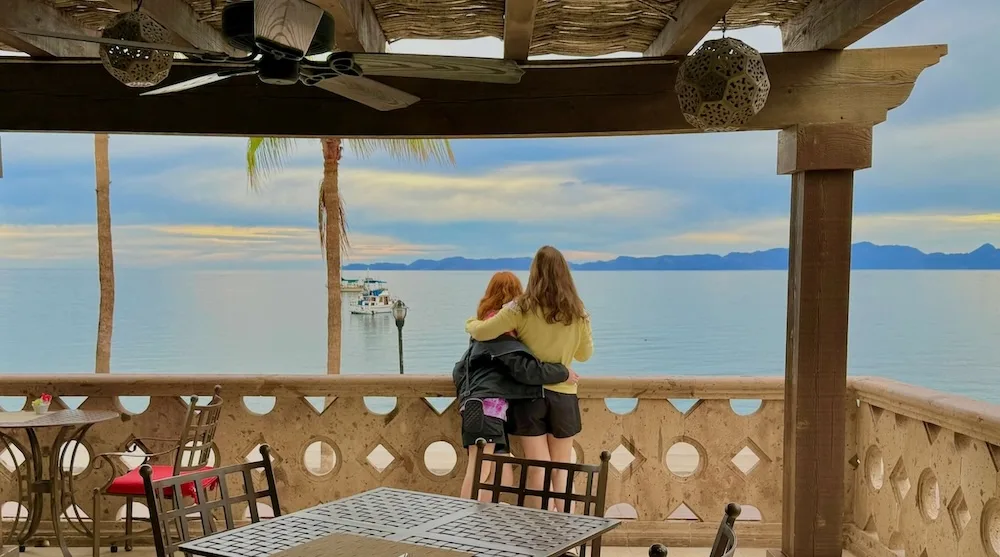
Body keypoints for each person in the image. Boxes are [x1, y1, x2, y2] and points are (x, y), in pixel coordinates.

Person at [464, 246, 593, 511]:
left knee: (538, 470)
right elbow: (584, 354)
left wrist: (469, 323)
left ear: (534, 273)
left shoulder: (520, 308)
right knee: (562, 470)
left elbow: (483, 331)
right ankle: (566, 533)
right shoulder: (577, 311)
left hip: (529, 396)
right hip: (564, 396)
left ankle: (537, 541)